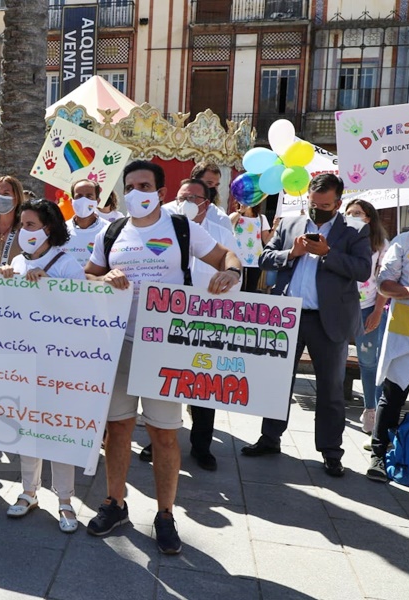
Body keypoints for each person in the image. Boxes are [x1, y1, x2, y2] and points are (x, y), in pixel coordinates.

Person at [83, 160, 242, 553]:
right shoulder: (112, 232)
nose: (138, 192)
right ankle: (114, 502)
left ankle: (166, 514)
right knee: (117, 428)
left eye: (145, 185)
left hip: (165, 345)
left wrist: (232, 275)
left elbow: (228, 258)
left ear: (160, 191)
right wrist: (103, 278)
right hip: (119, 342)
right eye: (131, 186)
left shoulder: (183, 228)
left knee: (164, 434)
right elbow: (88, 274)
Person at [243, 174, 371, 478]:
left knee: (330, 388)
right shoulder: (289, 224)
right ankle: (270, 438)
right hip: (288, 316)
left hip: (329, 320)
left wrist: (328, 254)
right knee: (277, 382)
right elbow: (264, 258)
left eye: (325, 205)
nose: (318, 210)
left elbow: (362, 269)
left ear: (338, 203)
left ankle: (330, 451)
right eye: (313, 204)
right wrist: (292, 253)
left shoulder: (356, 230)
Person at [139, 179, 241, 472]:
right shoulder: (162, 227)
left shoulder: (221, 232)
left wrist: (230, 276)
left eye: (192, 197)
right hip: (166, 317)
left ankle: (201, 446)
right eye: (180, 196)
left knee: (202, 386)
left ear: (206, 203)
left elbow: (235, 270)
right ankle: (156, 440)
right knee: (164, 383)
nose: (184, 202)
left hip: (206, 318)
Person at [0, 199, 85, 531]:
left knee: (57, 430)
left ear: (48, 229)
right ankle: (28, 492)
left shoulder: (67, 265)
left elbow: (82, 314)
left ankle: (65, 500)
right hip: (22, 359)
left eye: (30, 225)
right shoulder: (17, 261)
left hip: (59, 363)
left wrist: (49, 287)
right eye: (22, 225)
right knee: (27, 428)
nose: (24, 231)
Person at [365, 209, 409, 481]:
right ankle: (379, 455)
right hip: (407, 330)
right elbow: (383, 283)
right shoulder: (406, 241)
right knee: (393, 395)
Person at [344, 199, 389, 435]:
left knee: (368, 362)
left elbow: (385, 280)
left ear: (369, 218)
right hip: (340, 307)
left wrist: (378, 311)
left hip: (368, 308)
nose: (352, 216)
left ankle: (371, 410)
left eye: (358, 213)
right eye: (349, 213)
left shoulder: (381, 244)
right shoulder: (340, 239)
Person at [61, 179, 109, 267]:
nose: (84, 200)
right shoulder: (60, 230)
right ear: (72, 201)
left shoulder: (109, 230)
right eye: (79, 196)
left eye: (89, 196)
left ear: (97, 201)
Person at [229, 201, 273, 292]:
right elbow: (228, 223)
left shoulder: (261, 218)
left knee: (251, 289)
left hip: (255, 260)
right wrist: (240, 212)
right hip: (237, 260)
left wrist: (275, 227)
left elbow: (266, 240)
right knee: (237, 289)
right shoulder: (235, 215)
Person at [0, 175, 25, 265]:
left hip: (16, 277)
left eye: (6, 194)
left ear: (16, 197)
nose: (0, 197)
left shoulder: (25, 227)